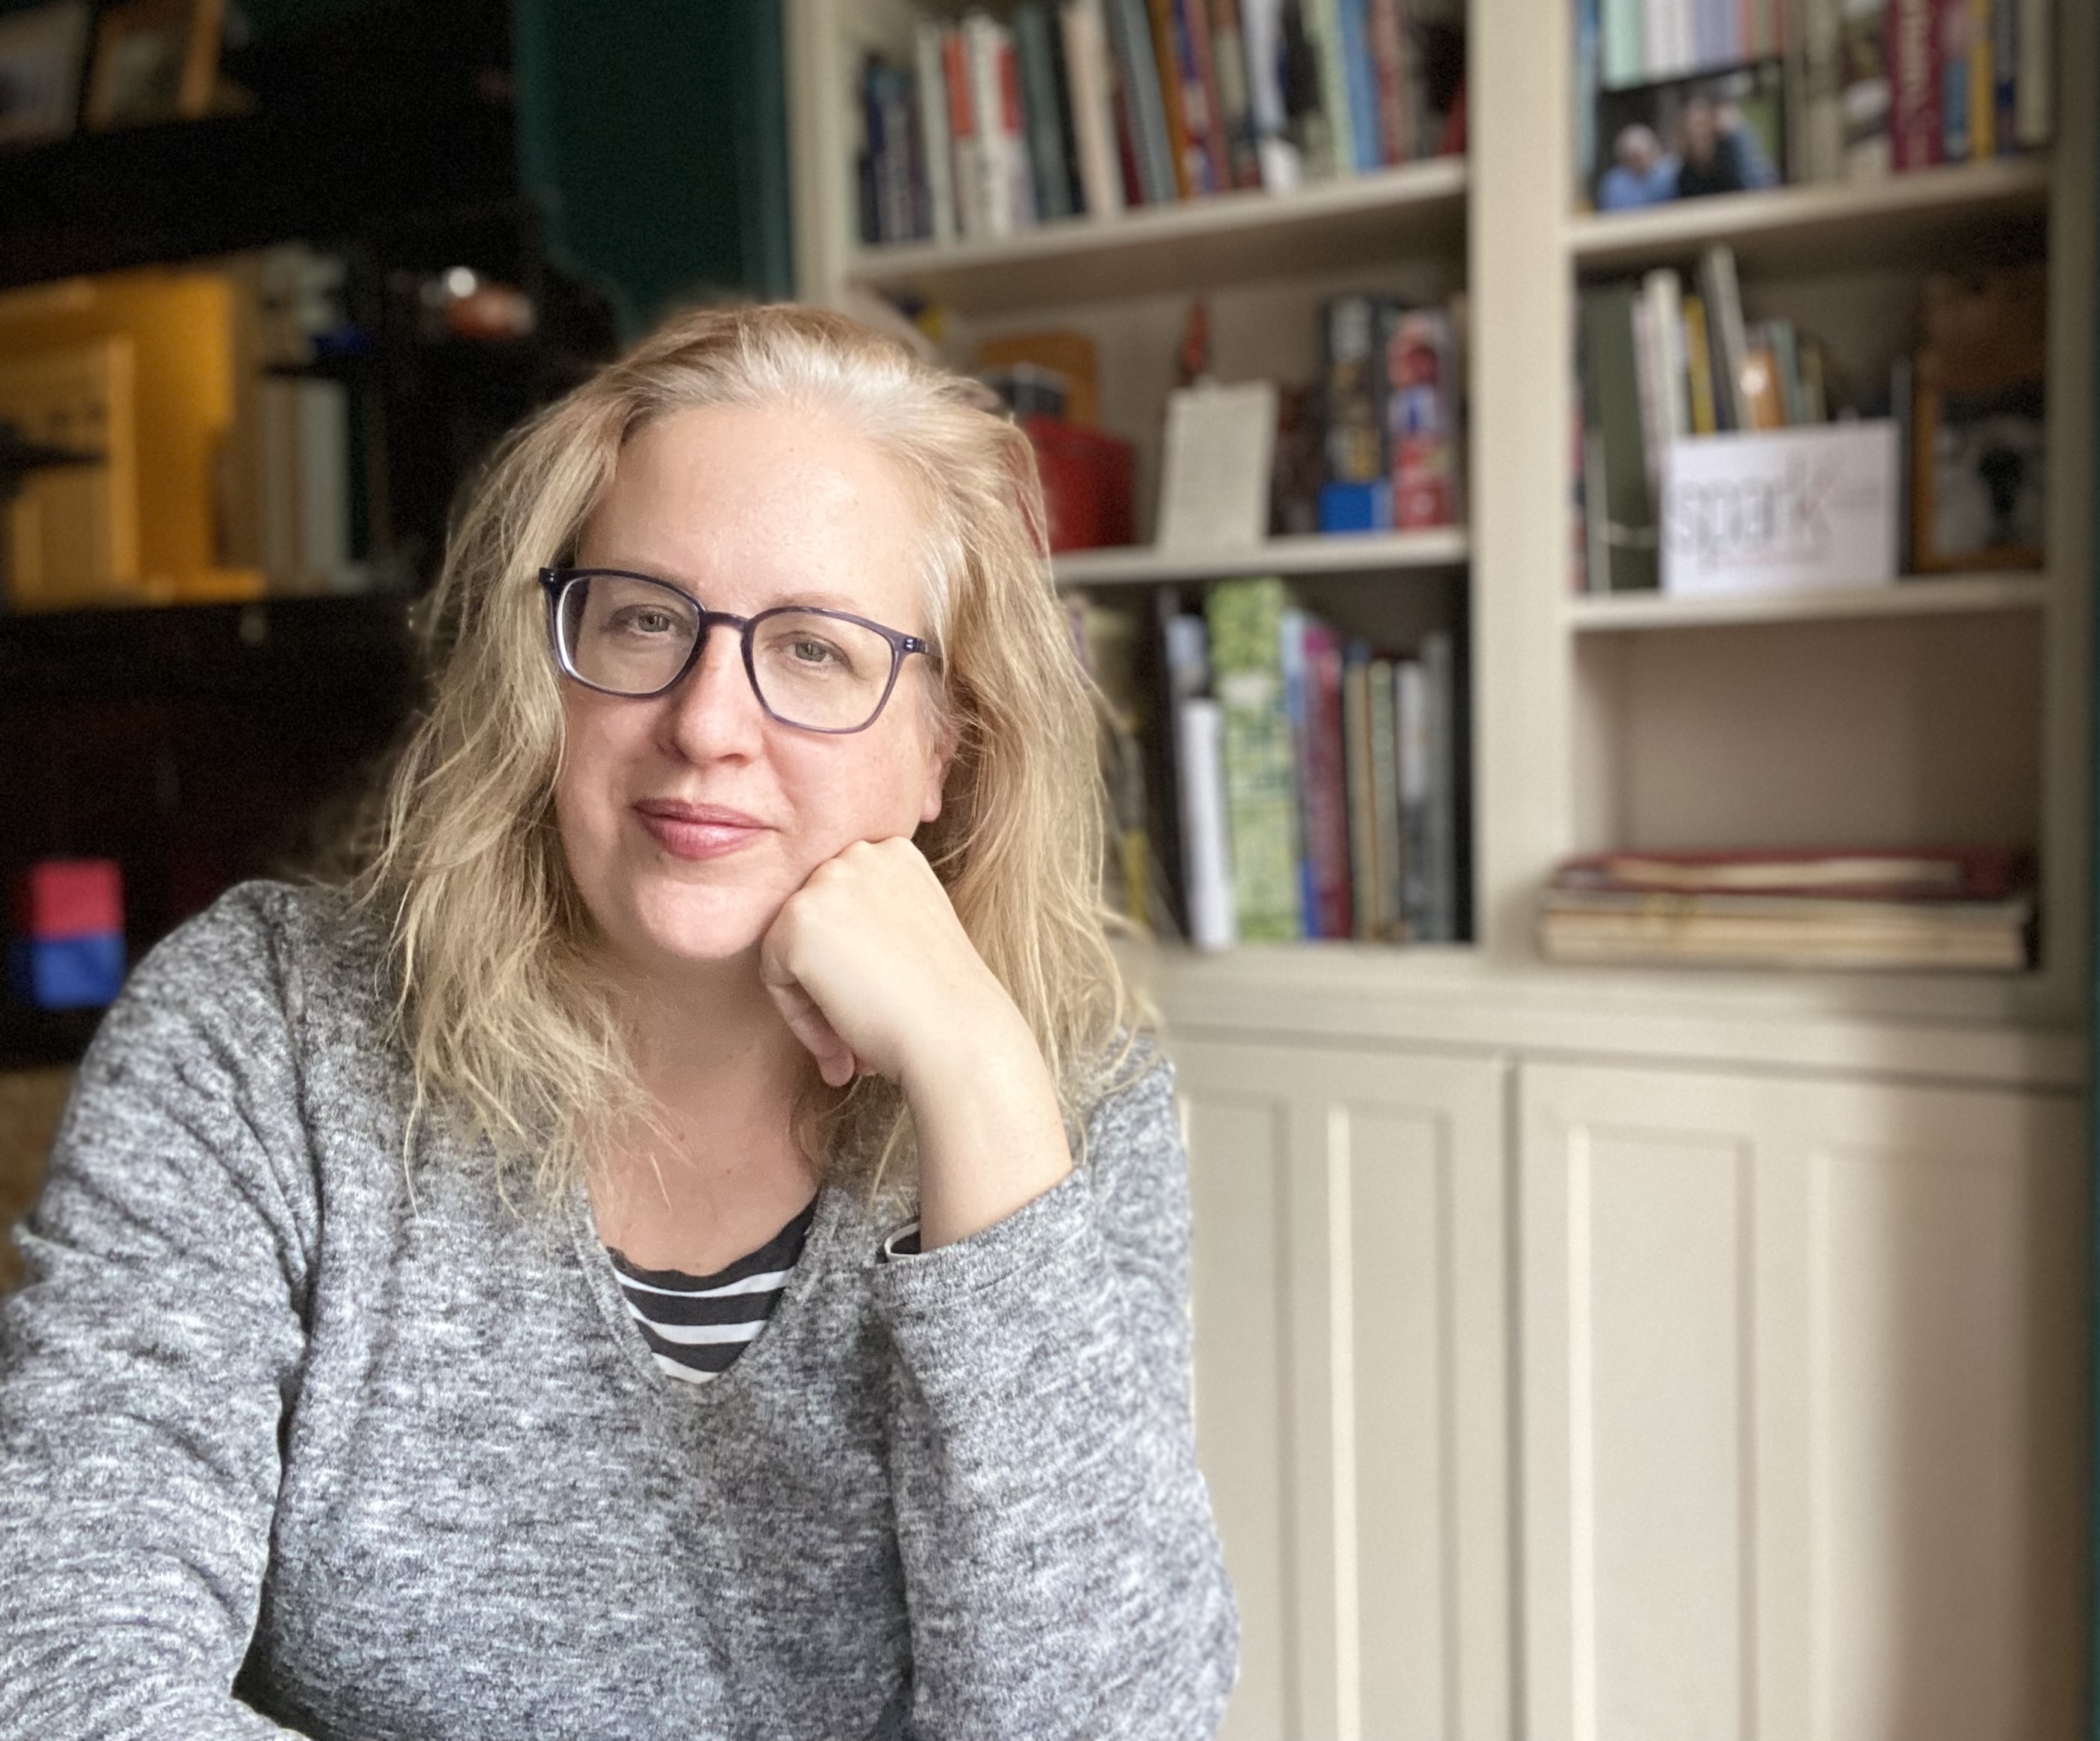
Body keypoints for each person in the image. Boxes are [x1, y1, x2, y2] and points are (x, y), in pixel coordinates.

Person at [0, 304, 1239, 1738]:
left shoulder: (1057, 1107)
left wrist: (975, 1083)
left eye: (818, 651)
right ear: (549, 669)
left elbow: (1114, 1723)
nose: (709, 720)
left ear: (947, 747)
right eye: (646, 619)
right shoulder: (265, 1033)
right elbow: (65, 1673)